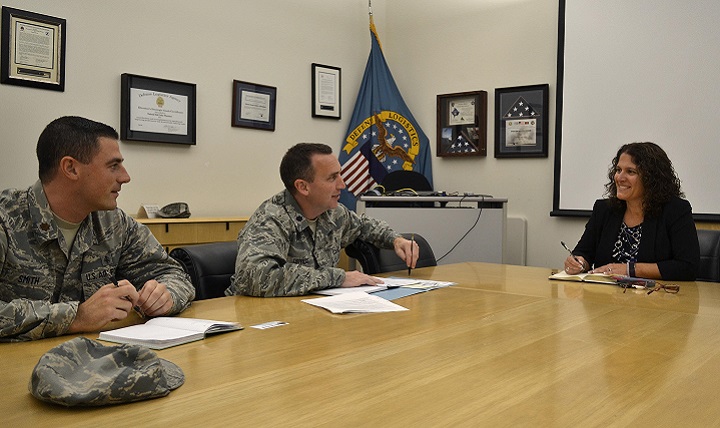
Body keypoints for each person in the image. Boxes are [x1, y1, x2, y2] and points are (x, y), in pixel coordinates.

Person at [0, 116, 195, 342]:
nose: (125, 176)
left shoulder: (113, 223)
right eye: (113, 165)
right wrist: (77, 317)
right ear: (71, 168)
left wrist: (166, 295)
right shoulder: (7, 220)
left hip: (92, 364)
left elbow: (174, 275)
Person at [227, 143, 419, 297]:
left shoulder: (332, 213)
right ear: (303, 187)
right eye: (332, 178)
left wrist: (396, 240)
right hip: (257, 318)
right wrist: (337, 277)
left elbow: (364, 227)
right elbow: (256, 279)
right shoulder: (270, 220)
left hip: (309, 310)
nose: (342, 184)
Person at [564, 142, 699, 281]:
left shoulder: (675, 210)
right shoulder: (604, 210)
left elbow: (687, 267)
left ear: (651, 178)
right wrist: (579, 263)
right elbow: (584, 252)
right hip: (604, 297)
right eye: (618, 170)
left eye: (630, 172)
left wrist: (629, 269)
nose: (620, 178)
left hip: (655, 299)